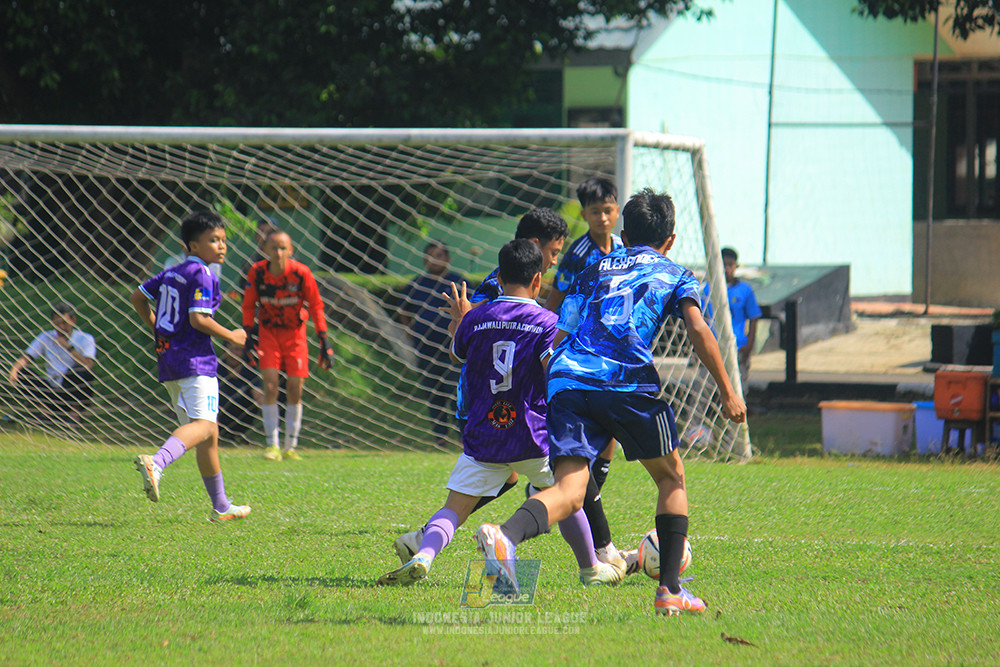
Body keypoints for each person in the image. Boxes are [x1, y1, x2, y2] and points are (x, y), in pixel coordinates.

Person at [474, 189, 746, 615]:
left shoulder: (591, 269)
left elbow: (560, 333)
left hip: (568, 380)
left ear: (624, 233)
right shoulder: (675, 273)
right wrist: (728, 391)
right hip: (624, 382)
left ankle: (505, 535)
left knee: (570, 491)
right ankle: (670, 590)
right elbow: (697, 329)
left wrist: (546, 388)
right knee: (671, 478)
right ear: (670, 239)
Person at [378, 239, 621, 587]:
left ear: (500, 277)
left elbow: (457, 355)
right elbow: (552, 370)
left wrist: (460, 323)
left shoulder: (476, 319)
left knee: (454, 509)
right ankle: (591, 569)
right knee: (568, 497)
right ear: (537, 280)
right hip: (533, 436)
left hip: (485, 434)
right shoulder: (547, 322)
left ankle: (424, 555)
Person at [129, 209, 251, 522]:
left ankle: (221, 506)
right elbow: (199, 319)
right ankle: (156, 463)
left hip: (169, 359)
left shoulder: (172, 272)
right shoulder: (203, 274)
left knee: (208, 435)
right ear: (193, 245)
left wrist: (158, 330)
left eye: (223, 240)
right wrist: (233, 336)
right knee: (206, 426)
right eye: (214, 240)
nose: (221, 246)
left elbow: (138, 297)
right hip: (195, 361)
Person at [242, 229, 333, 461]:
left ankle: (290, 446)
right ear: (265, 249)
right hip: (268, 334)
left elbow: (316, 305)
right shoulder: (257, 272)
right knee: (270, 385)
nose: (278, 252)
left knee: (295, 387)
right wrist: (248, 334)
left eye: (283, 248)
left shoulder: (301, 273)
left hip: (295, 335)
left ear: (291, 250)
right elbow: (249, 305)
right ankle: (272, 445)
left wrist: (324, 339)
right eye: (274, 247)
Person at [398, 242, 465, 447]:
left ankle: (462, 436)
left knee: (456, 392)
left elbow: (473, 308)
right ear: (424, 260)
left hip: (454, 350)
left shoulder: (458, 283)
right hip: (426, 350)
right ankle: (440, 437)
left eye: (439, 255)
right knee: (433, 393)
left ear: (447, 258)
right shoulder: (416, 284)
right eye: (431, 256)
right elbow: (404, 310)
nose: (435, 259)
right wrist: (409, 331)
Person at [7, 302, 98, 423]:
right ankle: (46, 413)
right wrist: (14, 370)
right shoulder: (46, 337)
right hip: (51, 390)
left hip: (72, 390)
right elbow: (26, 357)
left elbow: (89, 364)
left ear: (73, 320)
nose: (61, 327)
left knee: (81, 371)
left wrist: (68, 347)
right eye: (57, 323)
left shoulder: (85, 338)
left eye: (64, 323)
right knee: (21, 372)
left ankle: (74, 414)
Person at [718, 247, 761, 388]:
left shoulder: (745, 290)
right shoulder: (708, 289)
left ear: (736, 266)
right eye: (723, 264)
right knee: (710, 390)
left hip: (738, 347)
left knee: (737, 387)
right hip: (714, 347)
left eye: (730, 264)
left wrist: (749, 345)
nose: (727, 268)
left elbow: (754, 318)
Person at [217, 340, 263, 442]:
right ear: (223, 352)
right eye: (229, 349)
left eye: (237, 350)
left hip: (242, 414)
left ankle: (241, 434)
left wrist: (268, 412)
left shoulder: (249, 371)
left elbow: (258, 396)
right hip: (219, 415)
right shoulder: (216, 369)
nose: (233, 353)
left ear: (243, 352)